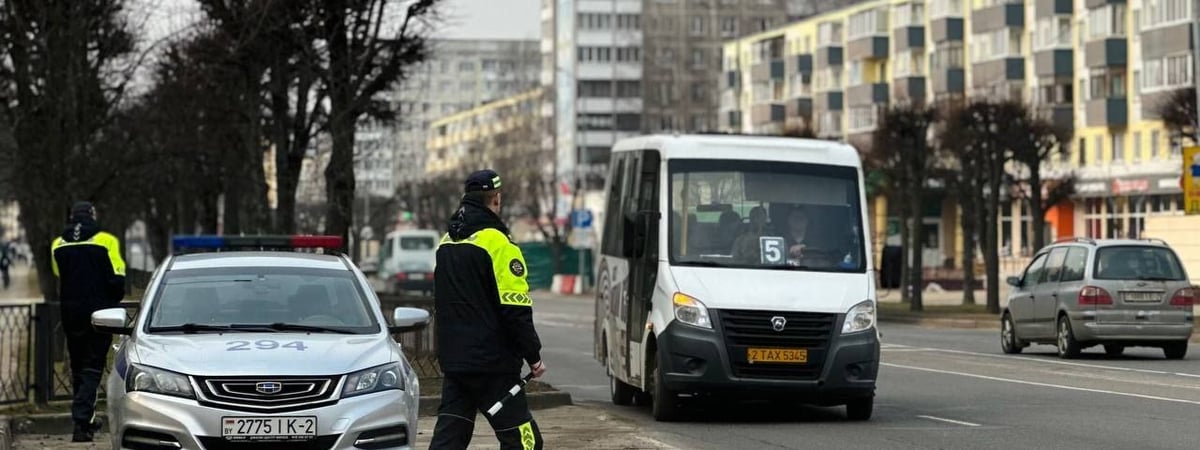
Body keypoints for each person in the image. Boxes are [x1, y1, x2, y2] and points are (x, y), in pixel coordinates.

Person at [429, 170, 545, 450]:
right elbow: (515, 310)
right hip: (493, 367)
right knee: (526, 444)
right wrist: (534, 356)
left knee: (448, 442)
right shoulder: (500, 246)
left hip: (456, 363)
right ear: (496, 199)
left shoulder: (446, 243)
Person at [50, 202, 126, 442]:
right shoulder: (106, 241)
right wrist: (111, 298)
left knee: (78, 366)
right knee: (93, 366)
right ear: (93, 215)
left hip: (70, 312)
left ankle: (85, 422)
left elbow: (58, 274)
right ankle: (82, 421)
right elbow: (117, 279)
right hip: (98, 312)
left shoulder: (57, 244)